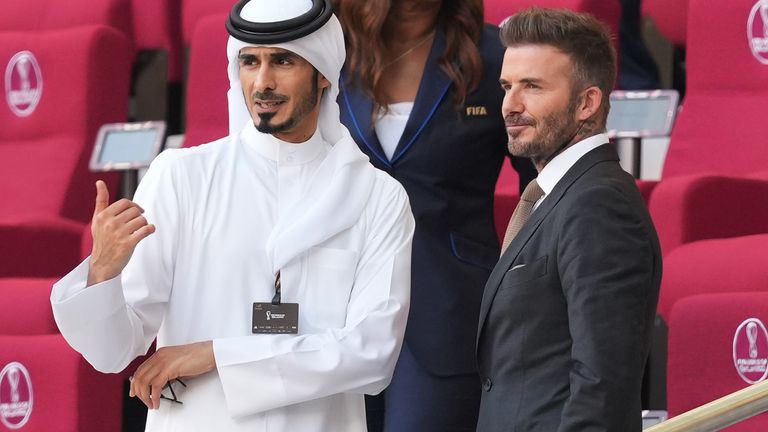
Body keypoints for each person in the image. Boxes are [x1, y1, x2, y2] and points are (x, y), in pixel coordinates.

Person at [50, 1, 415, 431]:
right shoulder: (181, 178)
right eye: (250, 62)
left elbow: (372, 355)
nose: (262, 81)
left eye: (283, 61)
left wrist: (216, 355)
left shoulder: (376, 196)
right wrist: (103, 273)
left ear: (322, 74)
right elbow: (111, 352)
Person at [330, 0, 536, 431]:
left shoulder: (494, 57)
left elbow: (540, 184)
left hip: (448, 305)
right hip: (334, 307)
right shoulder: (330, 51)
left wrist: (523, 283)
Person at [476, 8, 662, 432]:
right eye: (507, 86)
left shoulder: (599, 205)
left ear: (587, 102)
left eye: (532, 87)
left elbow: (603, 383)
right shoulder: (558, 195)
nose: (510, 105)